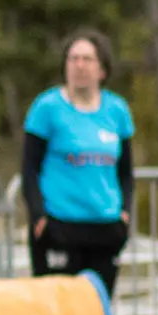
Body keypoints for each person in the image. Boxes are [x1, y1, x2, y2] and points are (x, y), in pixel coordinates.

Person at [23, 30, 134, 295]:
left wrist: (124, 215)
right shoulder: (47, 108)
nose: (79, 66)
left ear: (102, 70)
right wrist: (39, 217)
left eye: (87, 59)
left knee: (96, 313)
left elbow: (126, 172)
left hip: (104, 227)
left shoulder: (116, 111)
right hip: (60, 226)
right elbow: (29, 168)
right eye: (73, 59)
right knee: (57, 313)